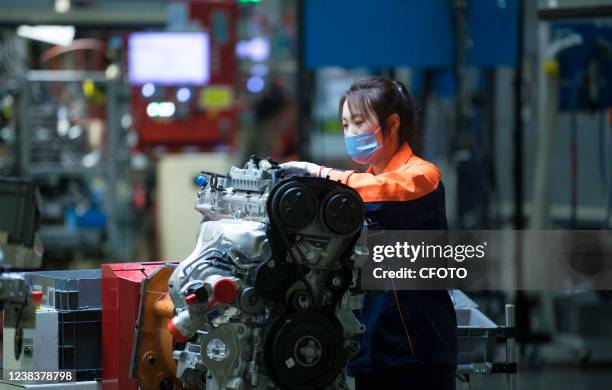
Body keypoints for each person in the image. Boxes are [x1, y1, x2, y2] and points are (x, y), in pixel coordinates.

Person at [281, 76, 457, 389]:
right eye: (345, 125)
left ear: (391, 124)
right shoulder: (365, 182)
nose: (350, 133)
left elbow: (382, 193)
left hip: (417, 347)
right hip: (372, 344)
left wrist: (318, 174)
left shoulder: (421, 175)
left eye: (359, 122)